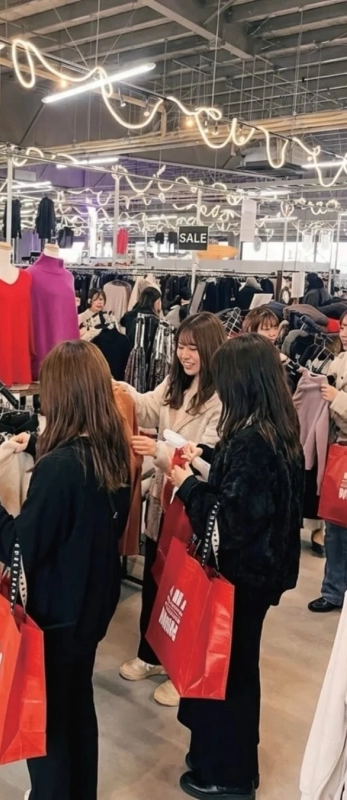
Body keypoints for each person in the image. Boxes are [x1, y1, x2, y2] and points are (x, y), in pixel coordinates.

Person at [0, 340, 131, 800]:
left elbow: (19, 546)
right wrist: (35, 443)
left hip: (56, 617)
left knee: (46, 723)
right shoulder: (111, 450)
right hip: (92, 607)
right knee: (77, 706)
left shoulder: (60, 469)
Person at [171, 333, 303, 800]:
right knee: (238, 668)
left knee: (228, 674)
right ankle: (228, 762)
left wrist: (187, 485)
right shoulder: (274, 429)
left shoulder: (252, 440)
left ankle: (229, 774)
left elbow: (228, 522)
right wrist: (207, 461)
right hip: (261, 574)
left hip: (242, 576)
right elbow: (252, 497)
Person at [119, 312, 226, 707]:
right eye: (181, 346)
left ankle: (180, 668)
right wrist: (119, 388)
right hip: (161, 502)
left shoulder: (220, 398)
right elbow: (147, 406)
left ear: (210, 350)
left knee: (186, 586)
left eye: (193, 348)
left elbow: (208, 459)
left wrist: (161, 452)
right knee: (155, 577)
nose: (185, 355)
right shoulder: (174, 384)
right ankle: (151, 654)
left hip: (191, 503)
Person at [308, 310, 347, 613]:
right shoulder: (337, 361)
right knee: (335, 526)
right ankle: (333, 591)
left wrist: (337, 398)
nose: (345, 333)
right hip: (338, 452)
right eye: (344, 327)